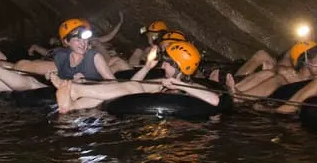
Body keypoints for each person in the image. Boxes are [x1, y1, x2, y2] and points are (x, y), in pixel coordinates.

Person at [50, 38, 222, 113]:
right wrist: (146, 67)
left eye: (167, 63)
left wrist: (180, 85)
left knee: (131, 88)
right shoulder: (165, 82)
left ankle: (75, 89)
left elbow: (215, 100)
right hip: (138, 103)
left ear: (179, 66)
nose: (163, 65)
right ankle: (71, 105)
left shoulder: (187, 85)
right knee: (117, 90)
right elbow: (126, 86)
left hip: (161, 122)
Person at [230, 40, 317, 100]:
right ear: (304, 62)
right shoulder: (287, 71)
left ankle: (239, 96)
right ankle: (234, 91)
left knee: (277, 78)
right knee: (267, 73)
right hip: (287, 89)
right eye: (315, 59)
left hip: (298, 96)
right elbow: (280, 67)